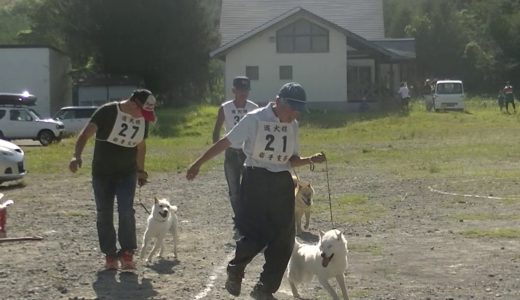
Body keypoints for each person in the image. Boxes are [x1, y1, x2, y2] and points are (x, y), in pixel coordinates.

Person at [186, 82, 325, 299]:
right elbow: (225, 142)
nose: (294, 114)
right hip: (255, 178)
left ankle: (264, 288)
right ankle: (235, 269)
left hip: (281, 181)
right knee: (255, 234)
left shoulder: (293, 125)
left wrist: (311, 160)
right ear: (278, 102)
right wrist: (198, 163)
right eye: (291, 109)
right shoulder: (255, 119)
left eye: (298, 110)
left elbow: (291, 160)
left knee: (285, 240)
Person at [69, 89, 156, 271]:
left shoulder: (142, 119)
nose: (143, 116)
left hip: (127, 172)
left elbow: (140, 146)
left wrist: (140, 170)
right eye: (142, 111)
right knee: (104, 213)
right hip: (102, 173)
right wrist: (76, 156)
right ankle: (109, 254)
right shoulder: (107, 112)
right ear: (133, 103)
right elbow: (85, 134)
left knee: (126, 211)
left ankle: (127, 253)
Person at [212, 76, 258, 233]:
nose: (243, 93)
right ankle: (239, 221)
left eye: (245, 90)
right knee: (234, 190)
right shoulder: (225, 108)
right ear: (234, 91)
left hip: (248, 153)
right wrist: (215, 148)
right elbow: (217, 129)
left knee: (249, 188)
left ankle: (249, 219)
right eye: (240, 90)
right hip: (231, 152)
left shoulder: (254, 107)